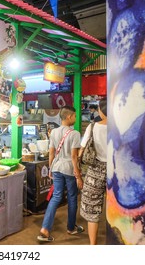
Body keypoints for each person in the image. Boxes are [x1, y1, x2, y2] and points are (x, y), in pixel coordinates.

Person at [37, 105, 84, 242]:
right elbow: (74, 157)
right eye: (75, 116)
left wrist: (51, 168)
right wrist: (78, 176)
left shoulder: (54, 132)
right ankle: (71, 228)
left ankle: (45, 229)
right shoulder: (75, 134)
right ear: (69, 117)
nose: (75, 118)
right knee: (72, 197)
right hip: (69, 168)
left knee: (56, 196)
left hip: (56, 167)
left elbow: (51, 152)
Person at [79, 98, 107, 245]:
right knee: (117, 207)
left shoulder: (92, 127)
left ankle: (93, 245)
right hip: (116, 170)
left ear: (101, 111)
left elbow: (82, 149)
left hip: (95, 170)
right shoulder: (120, 127)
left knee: (92, 209)